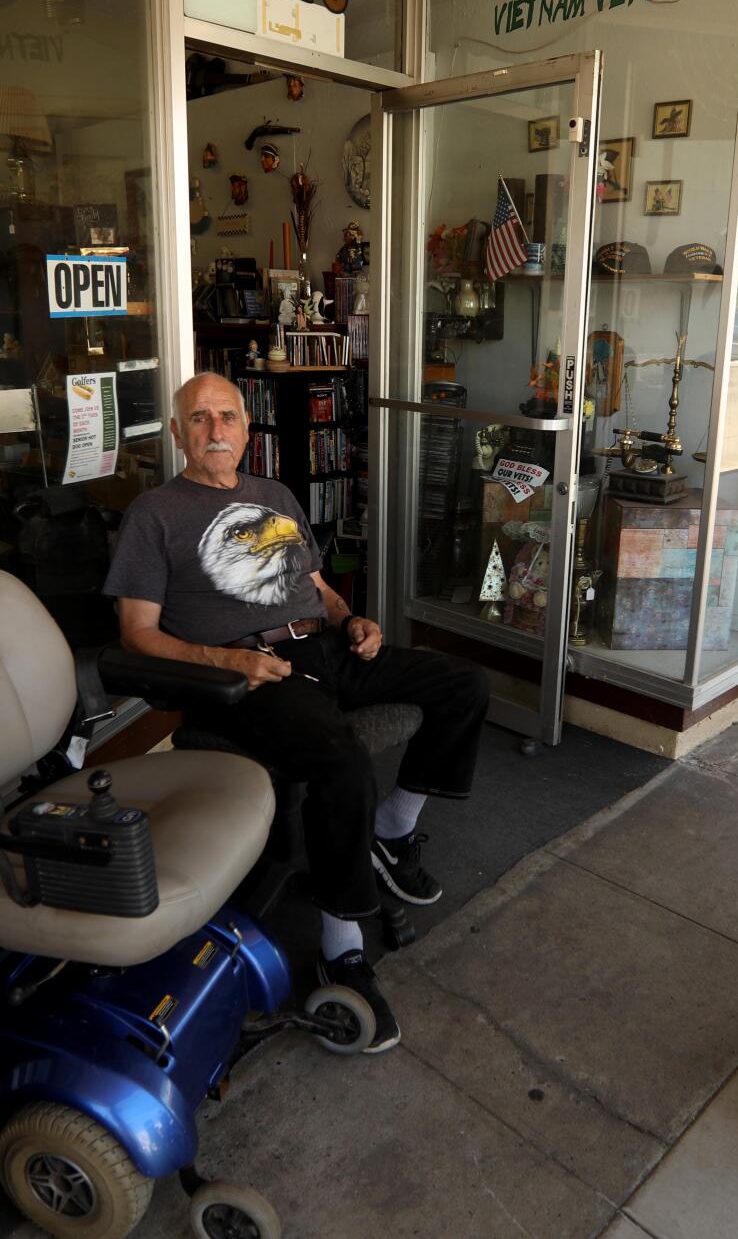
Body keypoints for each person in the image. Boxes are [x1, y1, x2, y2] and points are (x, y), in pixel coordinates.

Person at [104, 372, 492, 1053]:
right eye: (199, 418)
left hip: (324, 650)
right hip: (247, 674)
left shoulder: (275, 494)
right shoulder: (155, 514)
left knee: (462, 683)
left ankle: (392, 830)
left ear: (249, 430)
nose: (216, 429)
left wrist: (354, 621)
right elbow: (138, 633)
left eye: (228, 416)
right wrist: (228, 662)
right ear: (177, 433)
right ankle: (342, 948)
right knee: (341, 758)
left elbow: (316, 588)